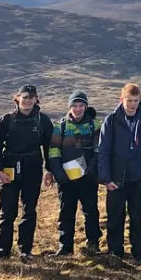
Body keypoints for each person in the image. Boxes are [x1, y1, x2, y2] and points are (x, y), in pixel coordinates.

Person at [0, 84, 53, 262]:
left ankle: (25, 250)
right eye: (24, 97)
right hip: (10, 168)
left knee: (29, 211)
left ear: (36, 100)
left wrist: (49, 170)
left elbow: (50, 149)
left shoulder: (43, 121)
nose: (27, 101)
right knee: (7, 212)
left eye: (31, 98)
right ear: (17, 98)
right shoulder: (6, 120)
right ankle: (3, 252)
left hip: (33, 168)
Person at [98, 83, 141, 265]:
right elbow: (104, 150)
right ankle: (115, 253)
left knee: (137, 217)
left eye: (136, 100)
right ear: (121, 99)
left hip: (138, 178)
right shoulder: (111, 121)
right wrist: (105, 178)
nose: (132, 104)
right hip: (116, 179)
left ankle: (140, 252)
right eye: (129, 100)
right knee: (115, 218)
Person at [46, 90, 102, 257]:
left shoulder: (95, 125)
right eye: (75, 106)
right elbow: (54, 151)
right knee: (66, 212)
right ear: (69, 107)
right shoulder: (60, 126)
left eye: (81, 105)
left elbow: (99, 151)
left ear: (86, 106)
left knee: (91, 211)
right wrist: (59, 174)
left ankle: (93, 244)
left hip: (88, 179)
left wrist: (91, 172)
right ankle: (65, 247)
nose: (78, 109)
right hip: (66, 180)